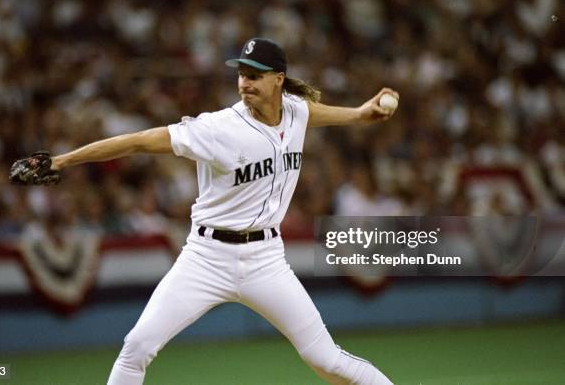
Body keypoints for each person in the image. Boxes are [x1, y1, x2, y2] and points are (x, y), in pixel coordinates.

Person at [49, 38, 398, 385]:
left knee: (326, 360)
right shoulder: (217, 128)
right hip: (206, 257)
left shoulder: (295, 110)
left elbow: (308, 113)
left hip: (266, 259)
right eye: (242, 74)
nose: (245, 82)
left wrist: (358, 114)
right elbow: (138, 140)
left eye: (255, 75)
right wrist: (63, 160)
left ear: (278, 79)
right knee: (137, 348)